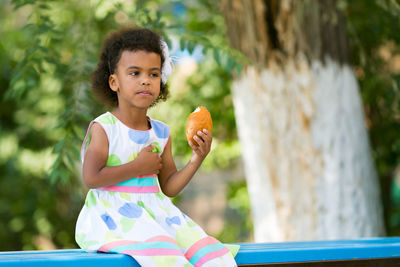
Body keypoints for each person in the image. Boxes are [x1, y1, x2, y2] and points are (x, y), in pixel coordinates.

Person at [75, 27, 239, 267]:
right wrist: (138, 166)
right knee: (166, 255)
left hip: (157, 214)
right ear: (114, 82)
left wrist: (196, 159)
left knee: (209, 253)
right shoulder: (106, 128)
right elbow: (91, 177)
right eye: (134, 73)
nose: (145, 80)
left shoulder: (160, 132)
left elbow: (169, 186)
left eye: (153, 74)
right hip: (112, 216)